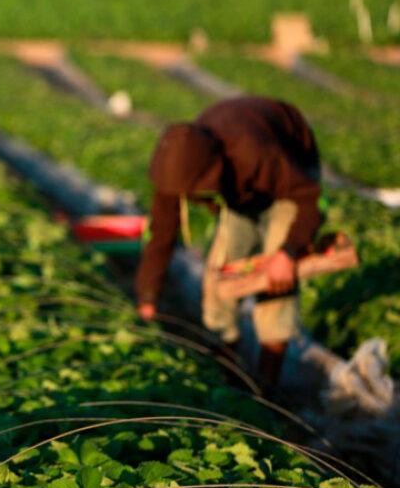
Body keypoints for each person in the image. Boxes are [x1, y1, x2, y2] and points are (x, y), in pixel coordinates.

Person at [136, 96, 322, 393]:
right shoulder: (179, 164)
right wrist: (147, 300)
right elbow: (162, 232)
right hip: (242, 185)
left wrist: (287, 253)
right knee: (219, 277)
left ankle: (266, 391)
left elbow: (309, 199)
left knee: (275, 283)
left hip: (290, 178)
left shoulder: (257, 154)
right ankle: (227, 375)